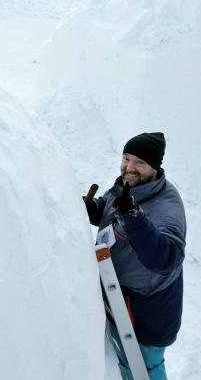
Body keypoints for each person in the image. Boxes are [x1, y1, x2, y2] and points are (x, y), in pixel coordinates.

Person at [83, 132, 185, 380]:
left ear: (154, 167)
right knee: (125, 364)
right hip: (119, 296)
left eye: (139, 162)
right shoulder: (129, 184)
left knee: (145, 369)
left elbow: (166, 259)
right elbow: (110, 206)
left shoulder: (166, 207)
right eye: (126, 158)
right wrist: (94, 209)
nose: (129, 167)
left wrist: (134, 218)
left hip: (146, 309)